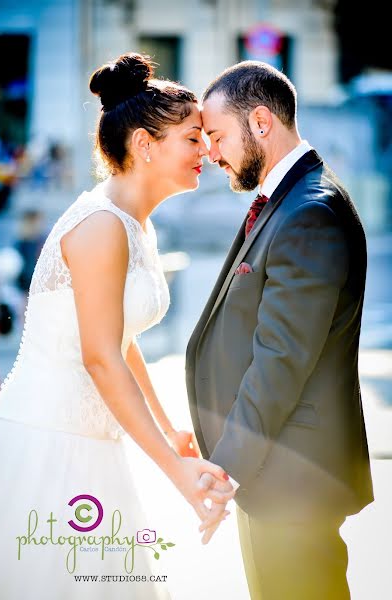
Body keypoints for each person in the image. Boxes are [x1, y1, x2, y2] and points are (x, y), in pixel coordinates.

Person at [0, 53, 235, 600]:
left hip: (91, 442)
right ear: (146, 145)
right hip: (49, 443)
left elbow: (121, 344)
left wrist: (169, 427)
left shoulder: (132, 224)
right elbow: (100, 358)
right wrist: (174, 470)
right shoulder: (102, 226)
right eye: (194, 139)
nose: (209, 151)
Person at [187, 61, 374, 599]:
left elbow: (281, 360)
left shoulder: (309, 212)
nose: (213, 153)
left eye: (218, 136)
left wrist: (226, 471)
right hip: (273, 472)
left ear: (262, 122)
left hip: (290, 480)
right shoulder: (287, 201)